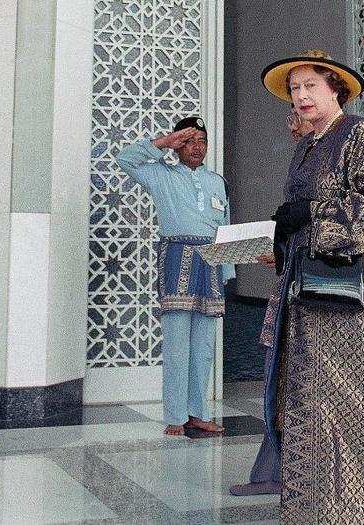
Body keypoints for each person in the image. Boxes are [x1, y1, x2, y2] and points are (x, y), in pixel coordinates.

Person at [231, 50, 364, 524]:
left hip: (354, 302)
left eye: (311, 86)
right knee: (313, 399)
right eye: (295, 89)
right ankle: (317, 504)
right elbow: (302, 215)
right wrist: (282, 236)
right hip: (308, 298)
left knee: (356, 403)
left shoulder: (359, 133)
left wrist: (311, 216)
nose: (302, 96)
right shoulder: (306, 146)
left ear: (336, 90)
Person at [117, 117, 235, 436]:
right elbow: (124, 158)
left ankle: (198, 413)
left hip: (211, 261)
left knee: (204, 345)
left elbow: (225, 227)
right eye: (189, 140)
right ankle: (175, 415)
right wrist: (164, 142)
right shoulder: (160, 174)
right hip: (178, 258)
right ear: (178, 144)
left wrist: (227, 271)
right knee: (177, 342)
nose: (196, 147)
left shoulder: (217, 181)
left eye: (201, 141)